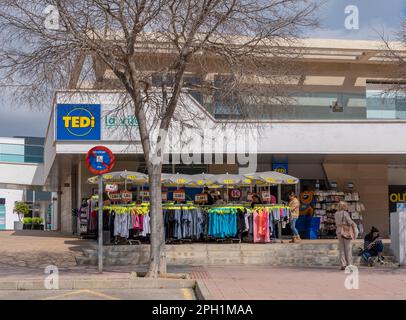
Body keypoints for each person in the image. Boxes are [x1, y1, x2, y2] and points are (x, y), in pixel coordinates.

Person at [335, 201, 358, 270]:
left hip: (339, 231)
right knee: (348, 248)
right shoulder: (345, 213)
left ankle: (343, 264)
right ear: (343, 206)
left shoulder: (336, 213)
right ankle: (349, 264)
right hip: (345, 231)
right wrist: (354, 225)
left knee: (341, 248)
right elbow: (350, 222)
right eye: (346, 205)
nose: (347, 206)